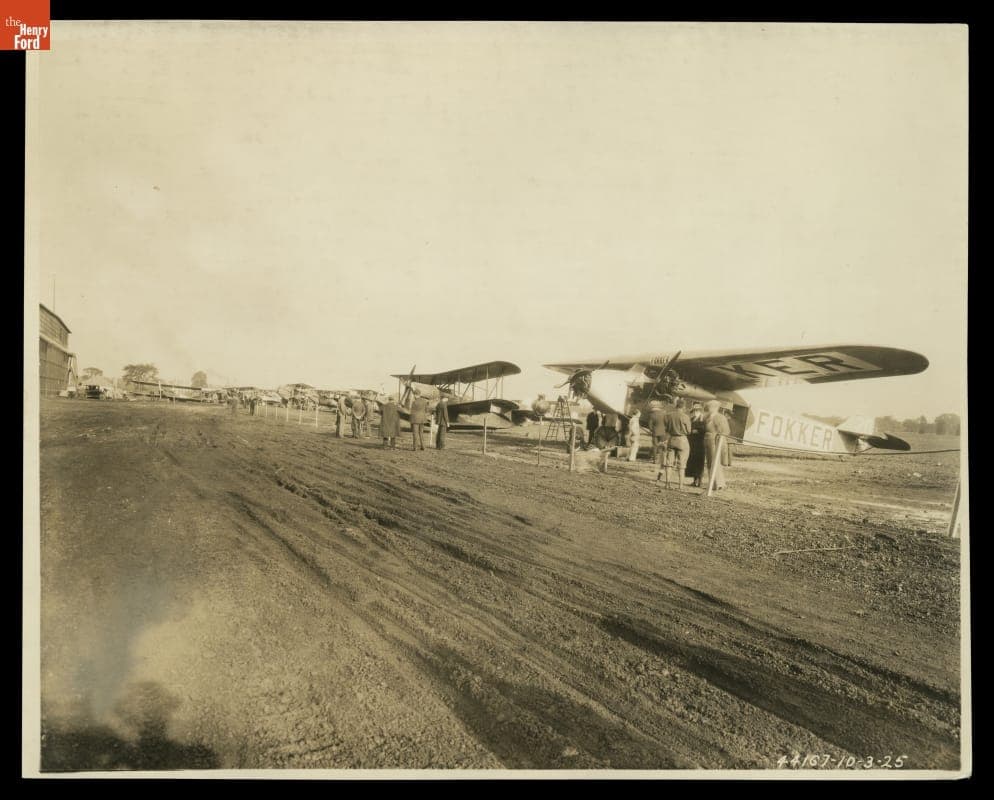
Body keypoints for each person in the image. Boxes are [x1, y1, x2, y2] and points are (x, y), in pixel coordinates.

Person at [662, 398, 693, 489]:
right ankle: (680, 486)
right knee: (682, 465)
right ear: (684, 407)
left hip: (671, 439)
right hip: (682, 440)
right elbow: (689, 431)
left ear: (676, 406)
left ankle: (667, 484)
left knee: (669, 463)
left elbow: (666, 428)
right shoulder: (685, 417)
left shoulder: (668, 415)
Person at [704, 399, 731, 490]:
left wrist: (719, 440)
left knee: (715, 462)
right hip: (708, 441)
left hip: (715, 442)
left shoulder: (720, 417)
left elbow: (725, 431)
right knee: (709, 462)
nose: (708, 408)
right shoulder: (708, 417)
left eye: (710, 407)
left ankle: (719, 484)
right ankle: (713, 483)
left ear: (715, 408)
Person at [686, 402, 707, 487]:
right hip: (692, 444)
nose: (695, 412)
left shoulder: (703, 419)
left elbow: (705, 430)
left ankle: (700, 481)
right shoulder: (692, 419)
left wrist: (697, 431)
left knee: (699, 462)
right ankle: (695, 480)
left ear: (700, 411)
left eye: (697, 410)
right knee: (693, 462)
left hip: (700, 444)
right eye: (694, 410)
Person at [647, 399, 669, 475]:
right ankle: (662, 460)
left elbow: (650, 425)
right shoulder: (663, 413)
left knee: (655, 446)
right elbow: (666, 422)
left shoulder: (651, 415)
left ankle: (654, 459)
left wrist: (651, 430)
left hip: (655, 432)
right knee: (662, 446)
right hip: (663, 432)